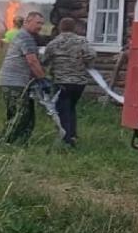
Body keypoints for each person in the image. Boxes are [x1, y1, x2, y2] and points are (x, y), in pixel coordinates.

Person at [40, 16, 97, 147]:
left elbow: (44, 60)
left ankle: (66, 140)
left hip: (61, 82)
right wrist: (86, 63)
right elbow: (92, 55)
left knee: (62, 109)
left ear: (60, 27)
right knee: (71, 107)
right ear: (74, 27)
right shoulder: (82, 41)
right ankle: (72, 134)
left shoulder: (54, 43)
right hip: (79, 83)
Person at [0, 9, 46, 144]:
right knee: (20, 115)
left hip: (18, 82)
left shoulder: (25, 36)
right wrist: (43, 80)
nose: (40, 26)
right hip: (14, 82)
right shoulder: (25, 37)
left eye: (42, 23)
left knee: (27, 116)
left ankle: (20, 143)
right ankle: (3, 142)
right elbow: (32, 61)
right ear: (28, 21)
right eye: (38, 23)